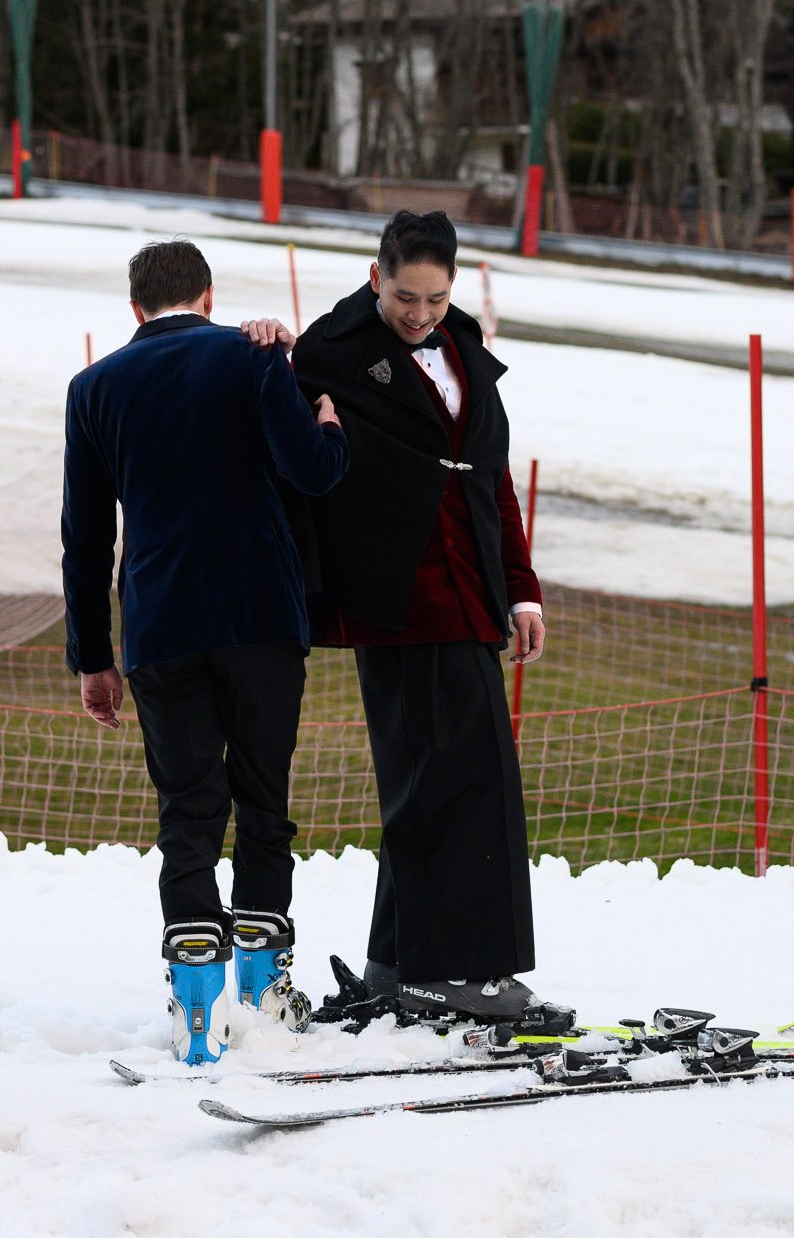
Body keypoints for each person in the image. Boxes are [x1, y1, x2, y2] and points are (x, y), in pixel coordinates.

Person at [244, 210, 550, 1023]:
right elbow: (268, 417)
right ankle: (462, 971)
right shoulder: (330, 348)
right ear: (375, 275)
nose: (420, 314)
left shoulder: (465, 350)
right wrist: (261, 344)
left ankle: (401, 962)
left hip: (469, 596)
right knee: (443, 783)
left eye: (436, 299)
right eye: (407, 296)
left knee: (459, 782)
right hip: (393, 599)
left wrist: (521, 588)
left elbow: (491, 477)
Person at [61, 239, 348, 1064]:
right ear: (210, 296)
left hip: (161, 629)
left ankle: (196, 1012)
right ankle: (261, 994)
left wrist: (93, 656)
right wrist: (327, 423)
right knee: (264, 800)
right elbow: (314, 471)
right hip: (262, 617)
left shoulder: (94, 388)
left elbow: (87, 534)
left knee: (189, 812)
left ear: (135, 309)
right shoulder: (255, 357)